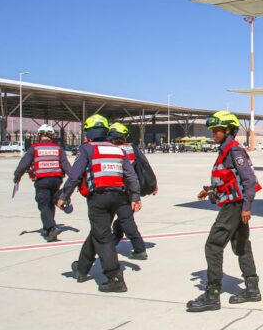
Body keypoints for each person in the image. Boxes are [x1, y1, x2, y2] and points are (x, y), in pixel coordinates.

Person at [187, 111, 261, 312]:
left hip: (234, 207)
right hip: (234, 205)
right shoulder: (225, 150)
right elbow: (229, 180)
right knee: (241, 246)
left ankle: (212, 294)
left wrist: (246, 207)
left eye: (217, 130)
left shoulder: (234, 151)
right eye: (213, 130)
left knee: (213, 245)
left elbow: (249, 180)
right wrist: (209, 190)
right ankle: (252, 288)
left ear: (229, 130)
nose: (214, 133)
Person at [59, 114, 141, 292]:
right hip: (120, 197)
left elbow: (74, 175)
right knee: (98, 231)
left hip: (99, 198)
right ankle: (81, 268)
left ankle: (114, 277)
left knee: (103, 237)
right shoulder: (118, 150)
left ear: (89, 132)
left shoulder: (87, 148)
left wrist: (64, 195)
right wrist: (135, 196)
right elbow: (131, 175)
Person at [13, 124, 71, 241]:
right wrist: (75, 180)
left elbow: (23, 165)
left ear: (39, 135)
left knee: (43, 204)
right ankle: (49, 225)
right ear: (52, 136)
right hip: (56, 181)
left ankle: (51, 228)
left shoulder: (34, 148)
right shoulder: (58, 149)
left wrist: (17, 176)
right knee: (50, 204)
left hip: (42, 181)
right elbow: (67, 166)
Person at [108, 122, 157, 260]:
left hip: (112, 189)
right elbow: (145, 166)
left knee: (124, 220)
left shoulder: (107, 149)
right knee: (123, 220)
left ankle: (139, 249)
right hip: (130, 189)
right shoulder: (132, 148)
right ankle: (114, 243)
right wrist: (153, 184)